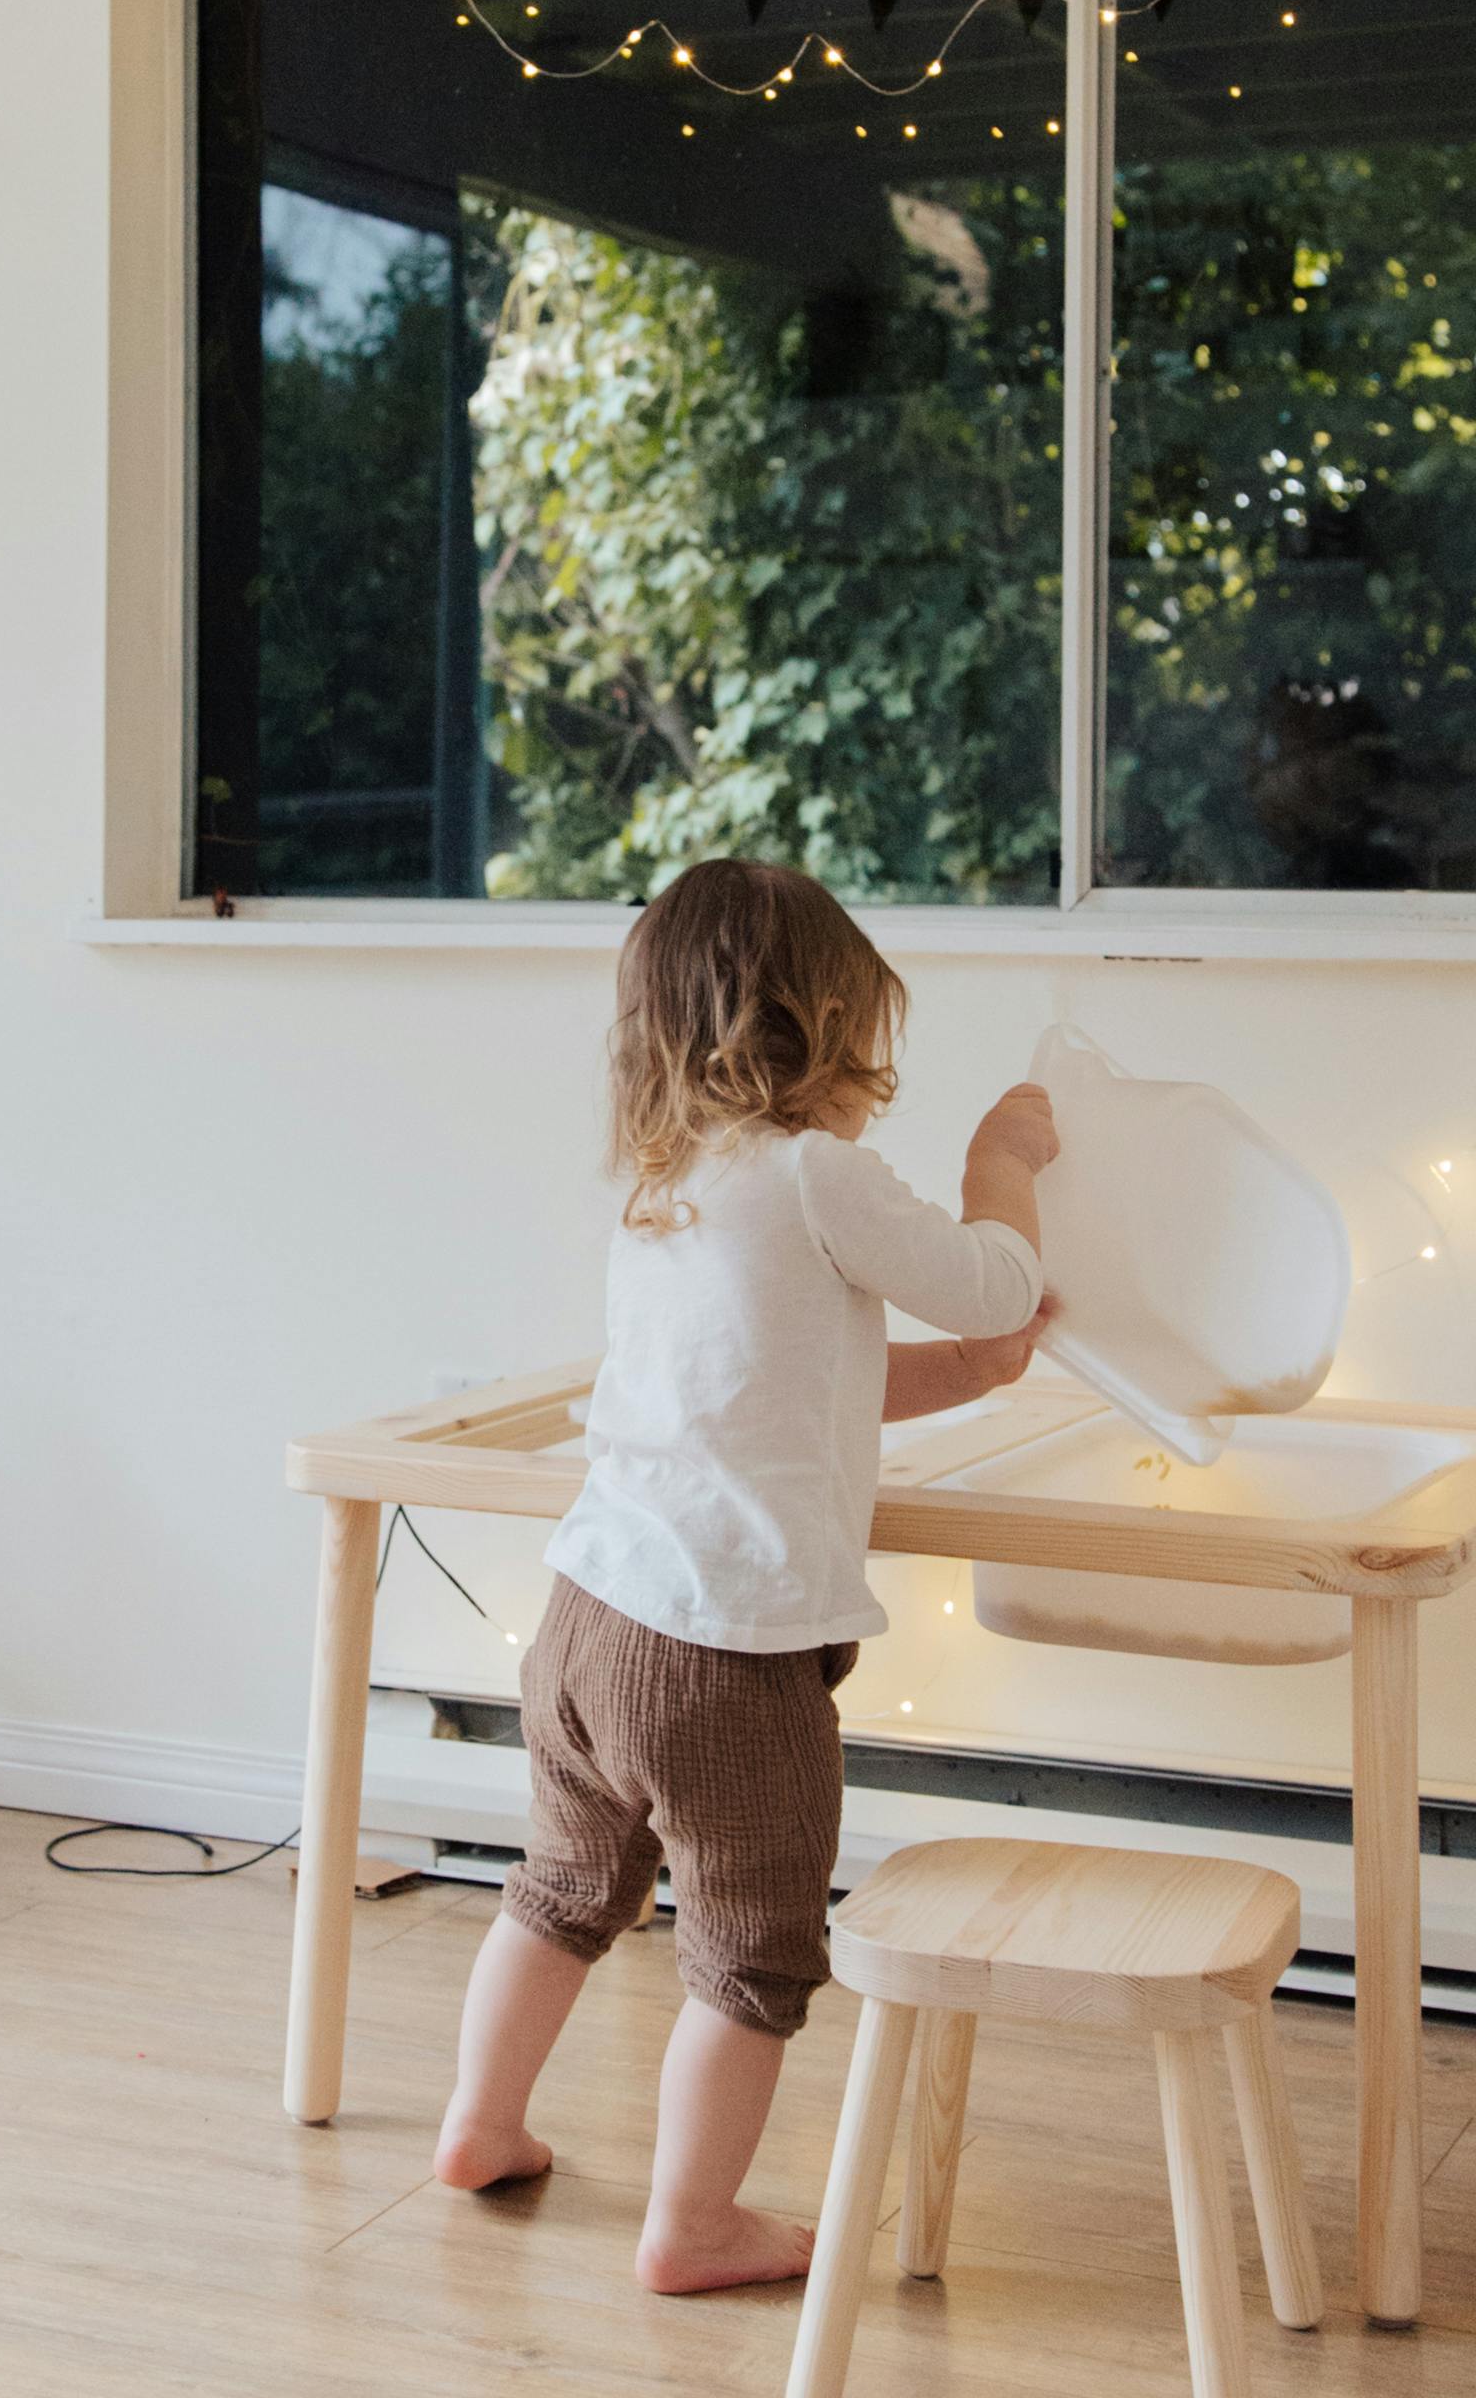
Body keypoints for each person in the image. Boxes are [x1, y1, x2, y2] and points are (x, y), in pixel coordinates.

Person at [432, 856, 1054, 2288]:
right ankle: (693, 2224)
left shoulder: (670, 1187)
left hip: (587, 1624)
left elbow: (779, 1381)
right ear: (826, 1028)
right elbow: (996, 1277)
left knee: (563, 1888)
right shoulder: (815, 1169)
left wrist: (966, 1374)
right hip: (725, 1660)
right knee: (753, 1950)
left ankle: (481, 2123)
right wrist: (1003, 1166)